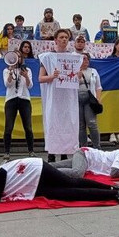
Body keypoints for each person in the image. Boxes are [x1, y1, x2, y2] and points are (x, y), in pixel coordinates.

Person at [39, 29, 79, 163]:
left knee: (67, 124)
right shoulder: (47, 57)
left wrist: (77, 75)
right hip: (54, 98)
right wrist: (52, 76)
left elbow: (78, 76)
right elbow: (41, 78)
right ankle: (51, 154)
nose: (64, 39)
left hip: (68, 97)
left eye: (66, 37)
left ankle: (65, 154)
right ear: (55, 40)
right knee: (53, 123)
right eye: (61, 37)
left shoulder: (74, 57)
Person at [2, 50, 35, 162]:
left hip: (24, 99)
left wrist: (26, 76)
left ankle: (31, 151)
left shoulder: (27, 70)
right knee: (8, 127)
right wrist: (11, 73)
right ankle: (6, 152)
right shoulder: (6, 70)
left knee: (28, 127)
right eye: (16, 57)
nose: (18, 59)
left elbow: (30, 86)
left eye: (20, 57)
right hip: (11, 99)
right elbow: (7, 84)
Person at [77, 53, 102, 149]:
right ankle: (83, 148)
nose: (85, 61)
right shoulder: (74, 71)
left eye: (87, 59)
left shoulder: (93, 71)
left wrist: (98, 99)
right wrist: (77, 77)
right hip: (77, 100)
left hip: (90, 100)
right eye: (83, 59)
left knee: (92, 123)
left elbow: (98, 87)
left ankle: (97, 147)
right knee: (81, 125)